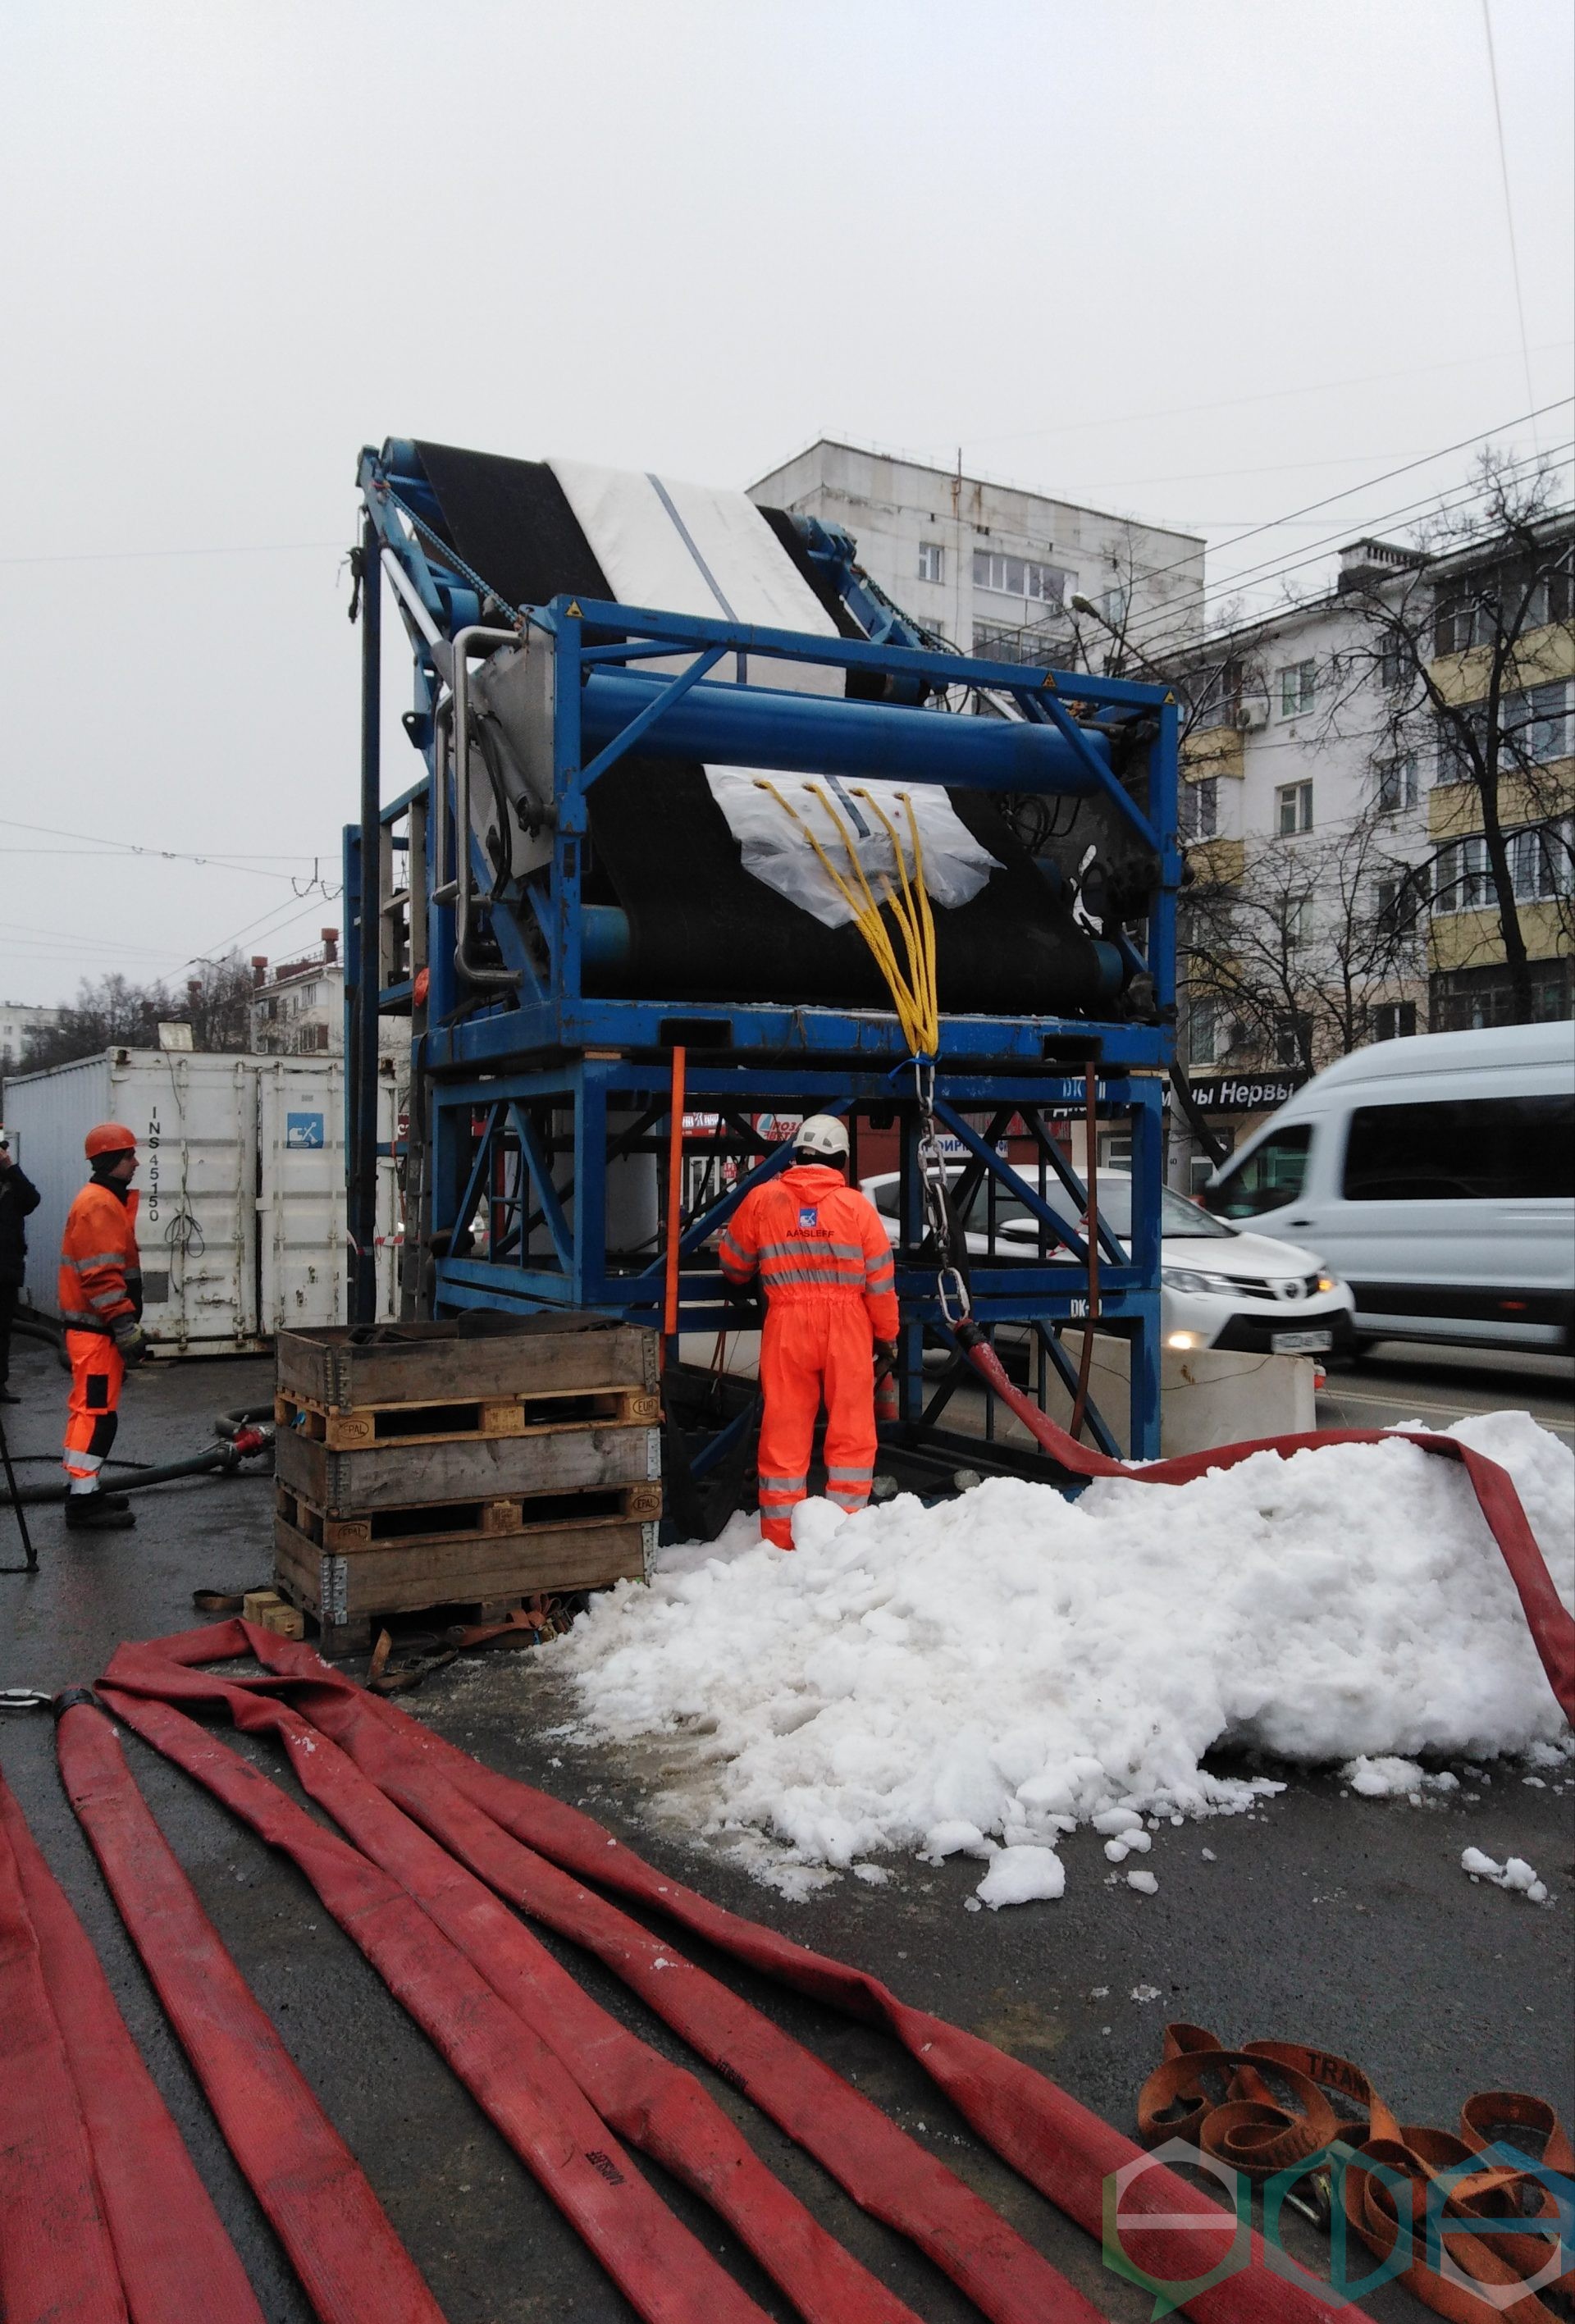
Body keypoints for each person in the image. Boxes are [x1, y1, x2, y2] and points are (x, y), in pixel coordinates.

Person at [719, 1115, 897, 1550]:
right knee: (852, 1432)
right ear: (840, 1160)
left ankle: (779, 1540)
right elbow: (880, 1281)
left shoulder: (762, 1199)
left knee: (784, 1431)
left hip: (786, 1324)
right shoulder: (857, 1208)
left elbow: (734, 1266)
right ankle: (844, 1534)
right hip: (848, 1328)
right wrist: (887, 1334)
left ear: (797, 1155)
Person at [58, 1122, 147, 1532]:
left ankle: (86, 1490)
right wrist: (125, 1326)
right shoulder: (99, 1205)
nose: (136, 1162)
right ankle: (82, 1502)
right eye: (129, 1155)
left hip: (95, 1332)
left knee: (91, 1411)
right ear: (113, 1160)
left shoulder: (102, 1200)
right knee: (96, 1414)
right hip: (97, 1333)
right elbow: (101, 1276)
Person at [0, 1131, 42, 1404]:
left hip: (6, 1271)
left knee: (2, 1333)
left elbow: (32, 1200)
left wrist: (11, 1168)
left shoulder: (12, 1186)